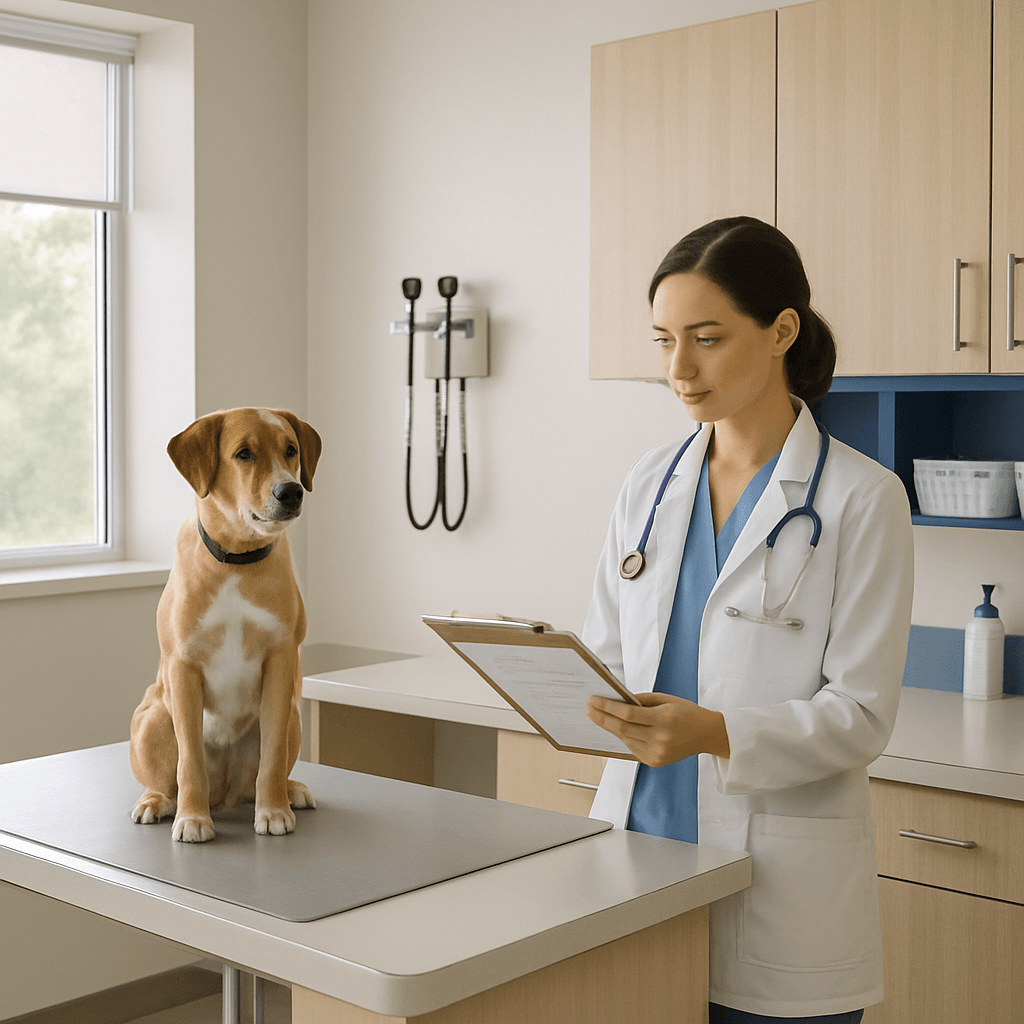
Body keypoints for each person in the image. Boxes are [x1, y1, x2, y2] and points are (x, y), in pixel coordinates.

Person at [583, 216, 914, 1023]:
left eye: (706, 338)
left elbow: (861, 715)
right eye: (663, 340)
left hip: (779, 885)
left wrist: (717, 733)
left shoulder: (861, 499)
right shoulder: (649, 486)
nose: (679, 369)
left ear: (781, 332)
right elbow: (605, 652)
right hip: (639, 855)